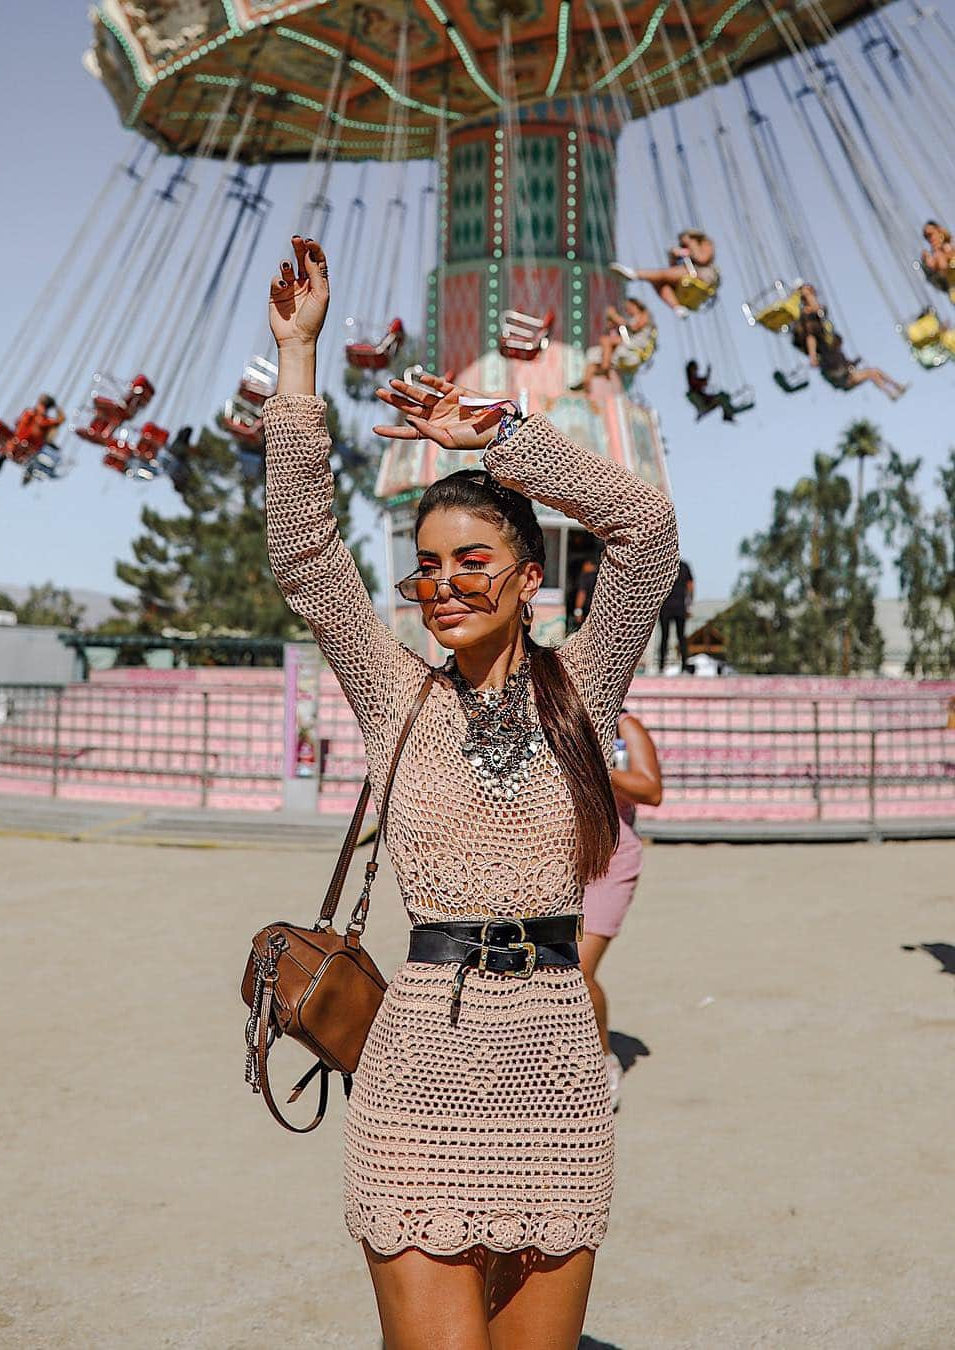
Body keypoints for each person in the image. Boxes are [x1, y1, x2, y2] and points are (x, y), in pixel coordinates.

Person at [263, 235, 678, 1349]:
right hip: (421, 1067)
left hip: (553, 1061)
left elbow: (647, 533)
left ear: (529, 577)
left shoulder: (583, 686)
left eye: (471, 561)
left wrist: (502, 435)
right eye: (425, 566)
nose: (442, 586)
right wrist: (298, 360)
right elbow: (307, 555)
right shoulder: (396, 694)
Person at [580, 709, 662, 1111]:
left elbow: (650, 789)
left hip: (611, 859)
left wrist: (591, 763)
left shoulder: (624, 725)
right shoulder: (550, 710)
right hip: (555, 855)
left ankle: (603, 1058)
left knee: (578, 970)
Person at [791, 285, 906, 401]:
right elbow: (811, 336)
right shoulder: (808, 318)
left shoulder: (820, 318)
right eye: (809, 295)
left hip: (840, 369)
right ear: (804, 299)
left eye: (813, 294)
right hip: (839, 374)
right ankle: (893, 391)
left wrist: (854, 362)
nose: (813, 297)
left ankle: (895, 389)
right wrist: (812, 356)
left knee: (873, 372)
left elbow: (819, 319)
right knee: (872, 373)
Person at [611, 230, 719, 317]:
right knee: (658, 281)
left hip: (704, 275)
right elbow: (671, 271)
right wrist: (673, 256)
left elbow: (702, 259)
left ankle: (635, 274)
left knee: (662, 275)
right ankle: (677, 308)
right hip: (687, 279)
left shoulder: (705, 243)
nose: (684, 245)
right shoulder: (686, 254)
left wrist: (690, 244)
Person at [584, 297, 655, 379]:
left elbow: (635, 327)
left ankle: (605, 367)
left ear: (635, 305)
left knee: (605, 340)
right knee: (593, 354)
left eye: (628, 307)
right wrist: (613, 321)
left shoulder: (644, 315)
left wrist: (615, 317)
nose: (627, 311)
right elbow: (624, 332)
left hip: (634, 349)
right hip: (627, 345)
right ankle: (586, 382)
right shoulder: (629, 320)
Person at [658, 559, 693, 672]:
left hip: (668, 606)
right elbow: (690, 587)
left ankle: (662, 665)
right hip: (676, 606)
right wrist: (689, 604)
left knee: (665, 637)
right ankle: (682, 665)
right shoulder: (683, 566)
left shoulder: (663, 565)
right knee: (680, 637)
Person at [920, 219, 954, 296]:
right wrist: (927, 267)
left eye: (930, 234)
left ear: (938, 231)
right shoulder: (933, 258)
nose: (929, 239)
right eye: (926, 236)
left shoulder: (948, 247)